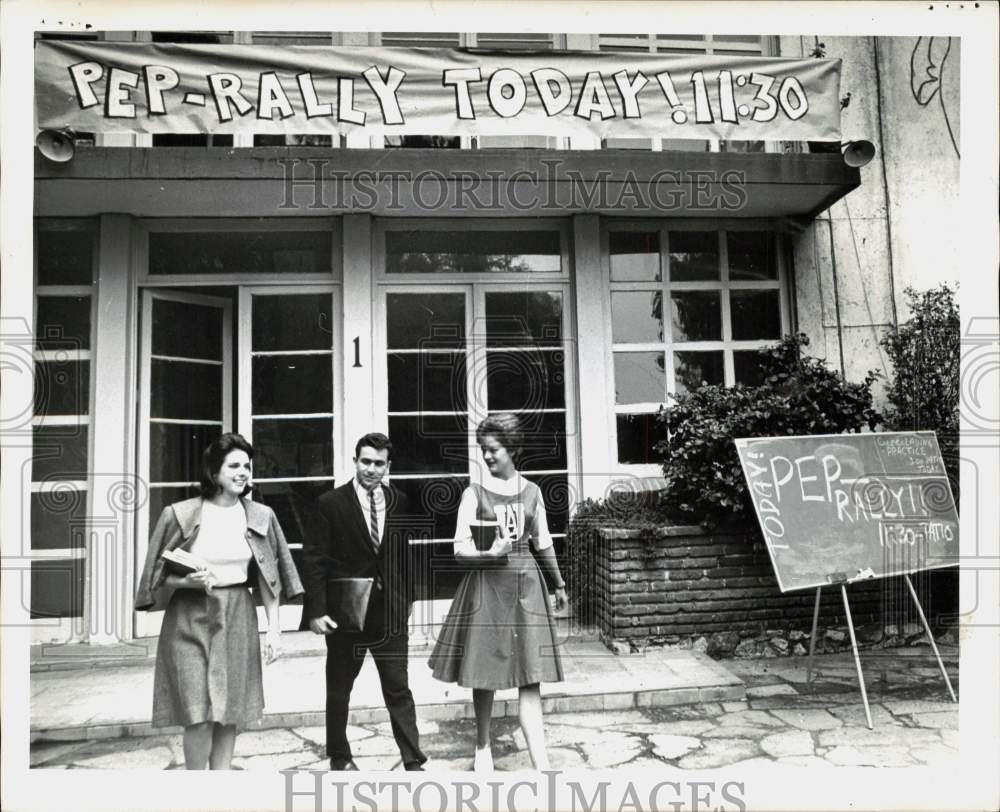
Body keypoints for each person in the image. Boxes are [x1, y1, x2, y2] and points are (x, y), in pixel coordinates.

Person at [135, 432, 303, 770]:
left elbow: (270, 580)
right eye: (234, 466)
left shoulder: (261, 516)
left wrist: (274, 631)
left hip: (238, 612)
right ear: (214, 472)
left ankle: (221, 780)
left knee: (229, 710)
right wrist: (187, 581)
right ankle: (199, 784)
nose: (243, 473)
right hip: (188, 615)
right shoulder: (179, 514)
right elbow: (156, 578)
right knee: (197, 713)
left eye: (247, 466)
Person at [429, 413, 568, 771]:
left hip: (526, 588)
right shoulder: (473, 494)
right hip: (486, 587)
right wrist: (490, 554)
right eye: (484, 450)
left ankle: (541, 764)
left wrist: (559, 583)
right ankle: (482, 746)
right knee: (485, 669)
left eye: (494, 450)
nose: (487, 456)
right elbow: (459, 550)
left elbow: (543, 542)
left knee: (530, 674)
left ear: (513, 449)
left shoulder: (533, 492)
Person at [300, 432, 426, 771]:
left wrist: (408, 598)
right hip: (347, 613)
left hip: (389, 613)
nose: (371, 469)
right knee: (339, 688)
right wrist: (316, 611)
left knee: (398, 688)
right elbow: (314, 560)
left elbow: (403, 552)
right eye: (365, 461)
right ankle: (340, 757)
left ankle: (413, 760)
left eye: (378, 463)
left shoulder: (398, 500)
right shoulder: (330, 503)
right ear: (355, 461)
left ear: (388, 466)